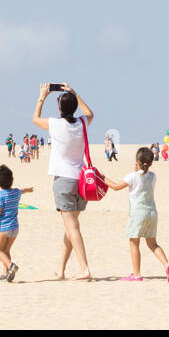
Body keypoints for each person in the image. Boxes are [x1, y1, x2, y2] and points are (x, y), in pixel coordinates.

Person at [31, 82, 94, 281]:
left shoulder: (56, 124)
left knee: (72, 227)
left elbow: (35, 119)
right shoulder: (82, 123)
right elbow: (89, 113)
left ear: (59, 108)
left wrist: (42, 96)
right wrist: (75, 92)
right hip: (81, 180)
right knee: (71, 226)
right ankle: (61, 268)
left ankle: (84, 268)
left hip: (64, 180)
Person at [105, 147, 169, 282]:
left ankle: (136, 274)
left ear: (137, 162)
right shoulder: (153, 176)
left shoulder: (132, 176)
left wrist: (102, 177)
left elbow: (115, 186)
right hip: (152, 213)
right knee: (152, 243)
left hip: (138, 213)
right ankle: (167, 264)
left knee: (134, 242)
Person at [0, 165, 33, 282]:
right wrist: (28, 190)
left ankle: (11, 266)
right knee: (6, 251)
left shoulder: (0, 196)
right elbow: (22, 191)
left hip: (4, 228)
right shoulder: (16, 192)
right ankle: (6, 273)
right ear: (12, 179)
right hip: (15, 228)